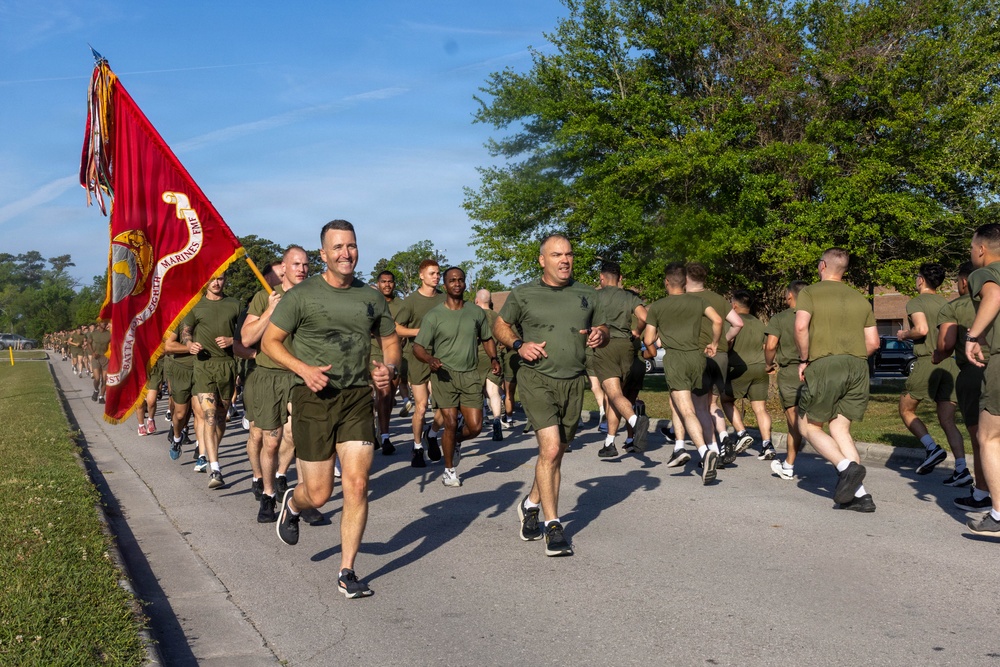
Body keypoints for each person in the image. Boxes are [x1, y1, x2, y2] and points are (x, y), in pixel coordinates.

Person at [264, 219, 400, 598]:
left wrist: (388, 370)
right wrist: (303, 369)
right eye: (337, 247)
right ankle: (293, 503)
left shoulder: (371, 296)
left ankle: (347, 570)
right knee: (320, 494)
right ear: (323, 254)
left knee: (357, 484)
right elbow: (271, 343)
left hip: (356, 396)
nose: (346, 253)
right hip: (313, 397)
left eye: (351, 246)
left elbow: (390, 342)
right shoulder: (301, 296)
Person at [493, 234, 608, 557]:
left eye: (569, 254)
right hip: (536, 378)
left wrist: (602, 333)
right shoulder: (524, 293)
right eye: (557, 254)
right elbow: (500, 325)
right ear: (542, 260)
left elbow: (604, 326)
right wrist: (518, 344)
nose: (565, 260)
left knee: (555, 454)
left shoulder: (586, 293)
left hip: (573, 381)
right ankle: (553, 525)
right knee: (552, 447)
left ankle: (531, 504)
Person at [795, 248, 879, 512]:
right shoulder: (860, 299)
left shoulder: (809, 292)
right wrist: (850, 356)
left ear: (822, 265)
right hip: (858, 366)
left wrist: (805, 359)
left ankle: (846, 468)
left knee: (808, 427)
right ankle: (861, 496)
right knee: (840, 429)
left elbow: (800, 327)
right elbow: (874, 342)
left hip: (825, 364)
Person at [413, 267, 500, 487]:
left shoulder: (475, 312)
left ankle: (455, 442)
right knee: (450, 422)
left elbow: (487, 338)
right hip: (444, 376)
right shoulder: (434, 315)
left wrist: (494, 358)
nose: (457, 284)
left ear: (465, 284)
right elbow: (418, 347)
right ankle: (449, 471)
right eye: (452, 280)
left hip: (470, 375)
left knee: (476, 427)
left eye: (460, 280)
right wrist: (430, 359)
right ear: (445, 285)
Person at [241, 245, 310, 522]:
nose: (302, 270)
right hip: (268, 375)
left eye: (306, 265)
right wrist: (270, 311)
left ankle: (304, 498)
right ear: (284, 267)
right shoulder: (264, 296)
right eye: (296, 264)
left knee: (301, 438)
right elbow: (246, 339)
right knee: (270, 442)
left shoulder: (313, 296)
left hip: (300, 375)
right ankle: (268, 495)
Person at [643, 263, 723, 482]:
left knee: (686, 410)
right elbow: (717, 320)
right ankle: (696, 448)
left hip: (676, 359)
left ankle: (705, 452)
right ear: (685, 282)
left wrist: (654, 343)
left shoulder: (658, 306)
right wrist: (714, 343)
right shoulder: (699, 301)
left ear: (667, 282)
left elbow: (648, 339)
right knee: (699, 407)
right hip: (697, 357)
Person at [896, 263, 964, 479]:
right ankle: (962, 470)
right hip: (951, 364)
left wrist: (904, 334)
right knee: (947, 420)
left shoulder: (916, 302)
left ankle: (932, 448)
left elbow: (921, 329)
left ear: (921, 280)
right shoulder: (947, 304)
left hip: (929, 360)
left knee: (906, 408)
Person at [181, 273, 245, 489]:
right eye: (212, 279)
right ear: (205, 282)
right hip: (203, 367)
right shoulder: (195, 306)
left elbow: (247, 334)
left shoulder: (235, 305)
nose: (216, 282)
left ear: (226, 280)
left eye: (220, 278)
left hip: (227, 366)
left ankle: (210, 454)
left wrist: (232, 340)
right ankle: (215, 468)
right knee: (209, 416)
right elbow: (186, 333)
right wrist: (190, 345)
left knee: (220, 418)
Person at [936, 262, 991, 509]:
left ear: (965, 282)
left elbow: (946, 344)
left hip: (973, 372)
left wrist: (937, 356)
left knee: (981, 437)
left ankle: (982, 494)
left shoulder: (955, 307)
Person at [685, 263, 744, 464]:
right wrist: (722, 341)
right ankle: (724, 438)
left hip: (699, 355)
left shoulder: (686, 299)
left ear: (685, 279)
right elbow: (738, 323)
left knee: (699, 406)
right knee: (713, 403)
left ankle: (712, 452)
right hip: (721, 356)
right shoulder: (718, 298)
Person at [963, 223, 1000, 535]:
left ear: (981, 250)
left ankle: (998, 515)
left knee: (988, 437)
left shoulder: (984, 273)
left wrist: (973, 335)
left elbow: (994, 295)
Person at [591, 261, 649, 457]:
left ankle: (635, 421)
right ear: (620, 278)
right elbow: (645, 317)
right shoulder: (629, 297)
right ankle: (610, 443)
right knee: (619, 396)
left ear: (601, 278)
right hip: (626, 346)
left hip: (604, 345)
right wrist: (636, 332)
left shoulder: (595, 296)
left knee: (613, 394)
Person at [394, 260, 445, 467]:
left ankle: (432, 433)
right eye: (432, 273)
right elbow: (397, 328)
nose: (436, 277)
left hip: (441, 357)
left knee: (445, 406)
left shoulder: (444, 298)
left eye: (438, 273)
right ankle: (417, 447)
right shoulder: (411, 302)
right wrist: (419, 332)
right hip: (418, 357)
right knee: (422, 407)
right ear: (421, 276)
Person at [764, 281, 809, 478]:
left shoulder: (780, 318)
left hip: (791, 372)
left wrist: (768, 364)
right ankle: (788, 466)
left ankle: (839, 463)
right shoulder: (816, 316)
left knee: (796, 423)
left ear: (790, 295)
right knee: (810, 421)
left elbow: (771, 345)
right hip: (817, 370)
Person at [721, 290, 771, 459]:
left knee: (726, 400)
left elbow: (728, 342)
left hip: (738, 368)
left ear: (734, 305)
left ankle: (742, 433)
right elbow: (766, 347)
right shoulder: (759, 324)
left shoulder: (732, 322)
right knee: (760, 408)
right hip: (760, 367)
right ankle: (767, 445)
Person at [371, 270, 406, 454]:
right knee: (382, 392)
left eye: (390, 282)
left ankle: (379, 427)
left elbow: (401, 328)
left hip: (394, 353)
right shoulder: (371, 300)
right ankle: (385, 437)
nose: (387, 285)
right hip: (371, 352)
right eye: (383, 281)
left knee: (388, 396)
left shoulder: (401, 305)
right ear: (378, 283)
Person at [474, 289, 505, 441]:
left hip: (477, 356)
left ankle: (477, 420)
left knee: (475, 392)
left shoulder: (473, 315)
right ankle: (497, 420)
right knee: (493, 392)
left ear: (477, 301)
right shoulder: (497, 316)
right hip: (495, 357)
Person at [164, 323, 196, 460]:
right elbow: (167, 347)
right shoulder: (178, 318)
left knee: (200, 412)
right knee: (181, 412)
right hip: (179, 368)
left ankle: (201, 452)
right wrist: (190, 348)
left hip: (203, 369)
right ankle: (177, 435)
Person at [89, 321, 111, 404]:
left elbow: (114, 344)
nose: (105, 324)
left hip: (105, 358)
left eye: (105, 323)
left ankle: (101, 396)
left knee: (105, 379)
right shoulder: (94, 334)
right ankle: (96, 390)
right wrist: (93, 353)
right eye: (103, 323)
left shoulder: (109, 334)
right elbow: (88, 343)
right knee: (97, 378)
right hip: (96, 358)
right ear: (99, 324)